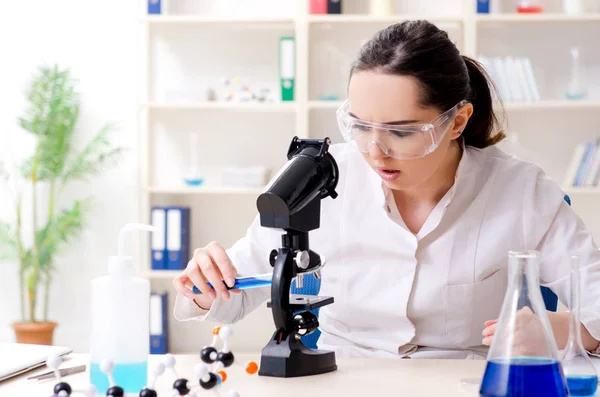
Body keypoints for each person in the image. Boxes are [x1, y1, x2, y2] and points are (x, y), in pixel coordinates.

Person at [172, 20, 600, 359]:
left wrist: (570, 332)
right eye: (359, 125)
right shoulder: (320, 175)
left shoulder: (522, 192)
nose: (374, 151)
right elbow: (239, 291)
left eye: (400, 131)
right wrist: (206, 283)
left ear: (457, 120)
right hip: (343, 379)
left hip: (460, 383)